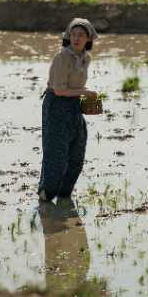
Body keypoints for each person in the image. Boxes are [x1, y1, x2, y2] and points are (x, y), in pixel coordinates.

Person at [39, 18, 99, 201]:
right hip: (56, 105)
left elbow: (75, 88)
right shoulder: (63, 56)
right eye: (73, 34)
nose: (76, 38)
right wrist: (85, 92)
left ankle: (64, 198)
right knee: (56, 159)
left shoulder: (85, 58)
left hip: (73, 106)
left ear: (89, 38)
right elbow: (59, 89)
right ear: (68, 36)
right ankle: (45, 201)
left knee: (76, 157)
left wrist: (84, 93)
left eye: (81, 35)